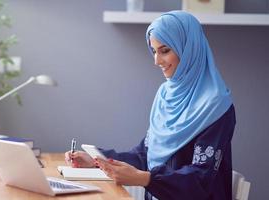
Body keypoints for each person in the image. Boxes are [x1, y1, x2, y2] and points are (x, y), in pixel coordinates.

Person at [65, 10, 236, 200]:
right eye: (153, 51)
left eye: (164, 50)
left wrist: (146, 179)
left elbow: (201, 179)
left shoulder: (216, 105)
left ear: (189, 49)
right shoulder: (165, 95)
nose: (156, 61)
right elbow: (144, 155)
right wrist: (98, 160)